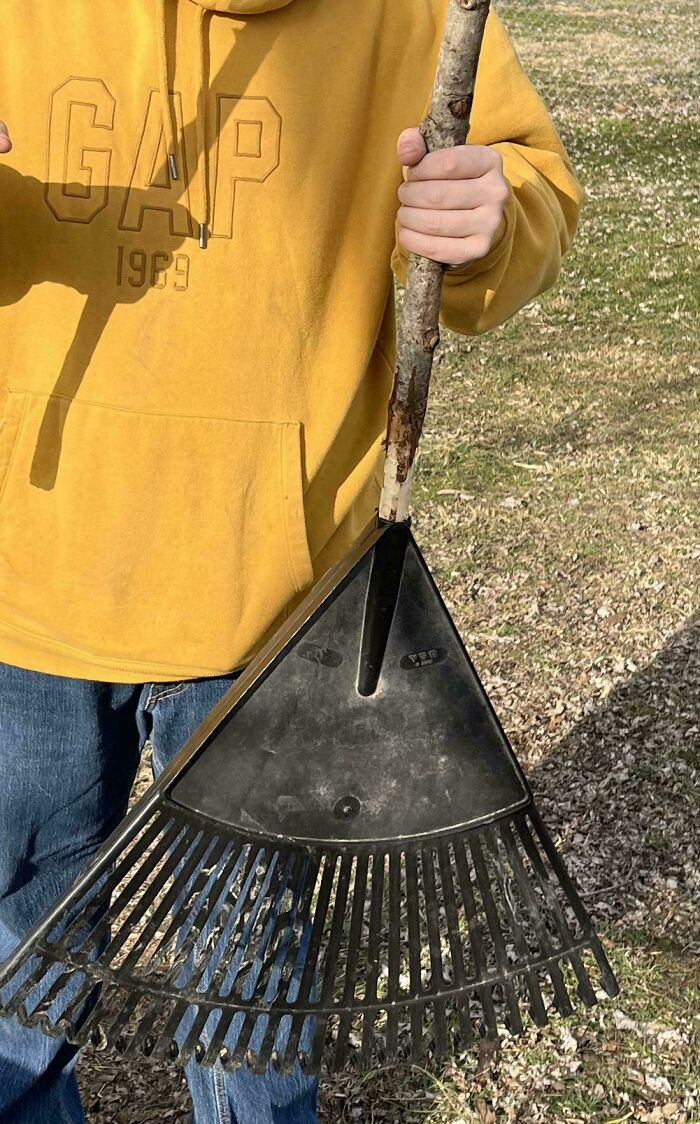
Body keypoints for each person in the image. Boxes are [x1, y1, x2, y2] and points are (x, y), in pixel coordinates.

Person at [0, 1, 583, 1121]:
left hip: (270, 608)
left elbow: (528, 181)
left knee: (251, 986)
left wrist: (491, 217)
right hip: (28, 582)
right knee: (18, 962)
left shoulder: (413, 13)